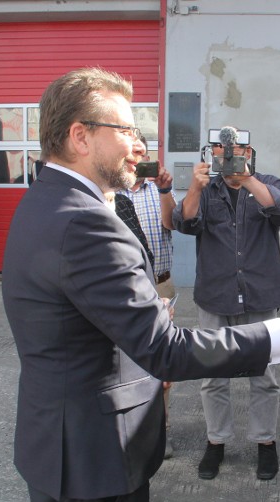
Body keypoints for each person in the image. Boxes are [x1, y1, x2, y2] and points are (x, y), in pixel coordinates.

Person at [1, 67, 280, 502]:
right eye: (126, 132)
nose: (138, 148)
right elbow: (166, 348)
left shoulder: (45, 201)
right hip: (93, 457)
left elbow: (75, 326)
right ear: (80, 136)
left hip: (61, 441)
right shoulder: (88, 222)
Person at [172, 126, 280, 482]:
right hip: (216, 295)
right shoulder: (206, 190)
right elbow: (185, 222)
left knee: (265, 375)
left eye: (237, 149)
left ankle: (265, 442)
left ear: (250, 151)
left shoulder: (268, 182)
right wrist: (194, 187)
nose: (229, 156)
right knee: (212, 376)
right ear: (210, 154)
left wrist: (248, 179)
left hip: (260, 293)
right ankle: (216, 441)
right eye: (221, 150)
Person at [115, 134, 179, 458]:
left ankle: (160, 430)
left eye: (143, 152)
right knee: (127, 361)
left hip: (161, 285)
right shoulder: (113, 193)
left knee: (161, 361)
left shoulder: (157, 190)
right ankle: (130, 428)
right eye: (133, 152)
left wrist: (166, 190)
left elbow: (172, 223)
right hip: (126, 289)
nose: (138, 158)